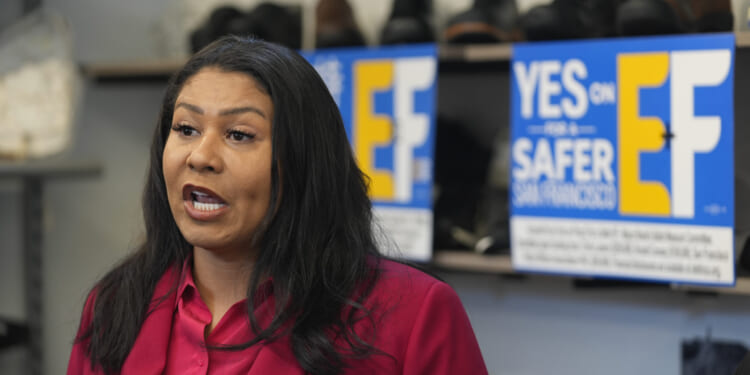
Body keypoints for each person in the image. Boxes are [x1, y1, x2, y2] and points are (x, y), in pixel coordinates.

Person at [67, 35, 488, 375]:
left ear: (304, 161)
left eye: (239, 134)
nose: (200, 156)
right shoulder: (115, 304)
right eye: (186, 128)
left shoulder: (416, 313)